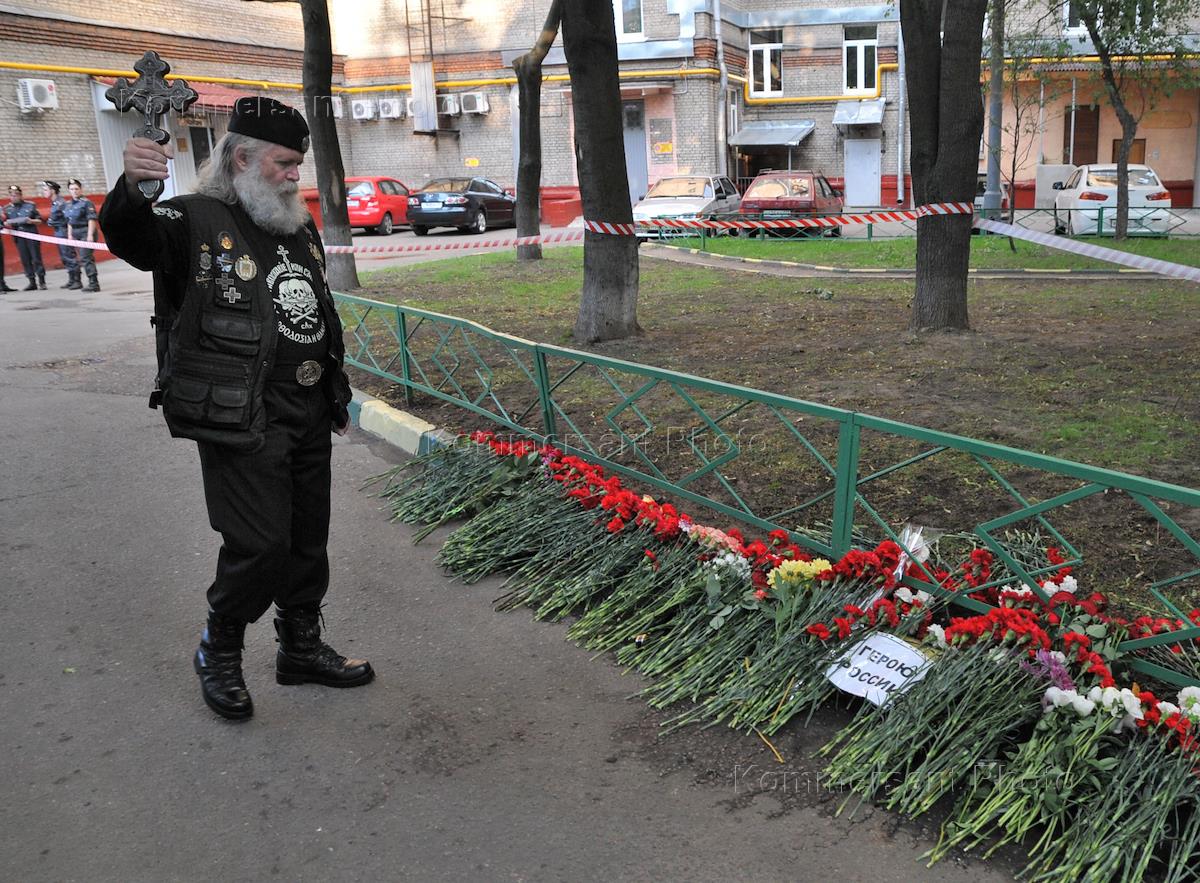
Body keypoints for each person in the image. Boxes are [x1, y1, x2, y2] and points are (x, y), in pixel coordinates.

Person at [99, 97, 374, 722]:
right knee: (260, 543)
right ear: (241, 157)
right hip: (240, 411)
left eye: (297, 165)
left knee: (307, 539)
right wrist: (135, 185)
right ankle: (218, 649)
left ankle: (299, 648)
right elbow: (133, 240)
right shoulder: (190, 218)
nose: (292, 176)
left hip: (307, 403)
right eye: (283, 163)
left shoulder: (292, 225)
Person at [2, 184, 45, 290]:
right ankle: (31, 281)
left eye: (16, 195)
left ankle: (42, 281)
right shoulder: (7, 209)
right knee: (25, 259)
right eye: (12, 195)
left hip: (31, 234)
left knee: (36, 258)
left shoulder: (30, 205)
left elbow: (40, 220)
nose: (14, 197)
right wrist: (6, 224)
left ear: (20, 195)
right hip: (19, 237)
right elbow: (3, 222)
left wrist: (31, 221)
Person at [63, 179, 100, 291]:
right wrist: (69, 235)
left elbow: (91, 219)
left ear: (81, 189)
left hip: (86, 231)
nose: (74, 191)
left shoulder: (86, 202)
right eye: (72, 189)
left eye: (76, 189)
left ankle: (94, 284)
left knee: (86, 258)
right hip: (75, 233)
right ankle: (90, 282)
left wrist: (90, 235)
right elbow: (69, 221)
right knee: (82, 258)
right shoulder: (68, 204)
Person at [43, 180, 79, 289]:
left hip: (63, 231)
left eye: (45, 190)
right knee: (65, 257)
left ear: (52, 191)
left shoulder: (61, 203)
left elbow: (69, 219)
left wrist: (68, 234)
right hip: (58, 231)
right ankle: (71, 279)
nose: (43, 192)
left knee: (69, 256)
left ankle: (77, 280)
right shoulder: (55, 202)